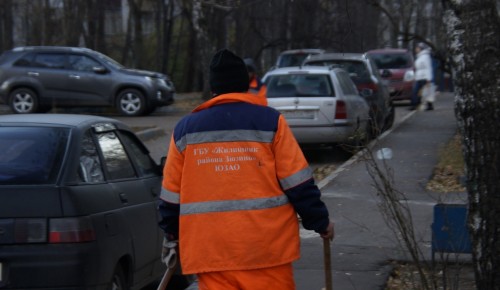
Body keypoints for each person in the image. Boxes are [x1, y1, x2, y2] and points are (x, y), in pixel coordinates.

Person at [158, 48, 334, 290]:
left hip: (211, 252)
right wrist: (320, 222)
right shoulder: (271, 123)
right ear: (246, 84)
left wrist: (171, 234)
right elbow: (298, 184)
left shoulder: (185, 130)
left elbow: (170, 197)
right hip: (267, 250)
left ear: (213, 89)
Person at [409, 42, 434, 111]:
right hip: (419, 77)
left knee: (426, 91)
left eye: (417, 48)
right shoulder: (419, 56)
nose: (416, 49)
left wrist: (428, 78)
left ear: (421, 49)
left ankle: (429, 105)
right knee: (416, 91)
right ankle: (415, 104)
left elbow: (428, 68)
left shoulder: (425, 57)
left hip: (424, 77)